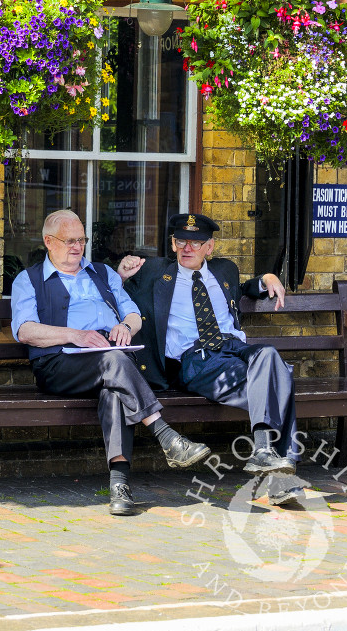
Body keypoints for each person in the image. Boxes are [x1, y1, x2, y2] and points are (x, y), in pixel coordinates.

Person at [11, 209, 211, 517]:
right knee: (114, 362)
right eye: (70, 241)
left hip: (111, 363)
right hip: (59, 364)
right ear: (49, 242)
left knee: (114, 389)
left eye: (82, 240)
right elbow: (25, 330)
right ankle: (164, 434)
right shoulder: (29, 280)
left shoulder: (103, 273)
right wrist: (75, 335)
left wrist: (126, 328)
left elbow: (132, 313)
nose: (77, 247)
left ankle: (120, 487)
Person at [119, 213, 302, 507]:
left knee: (268, 355)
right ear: (173, 243)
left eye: (196, 242)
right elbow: (113, 290)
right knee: (280, 378)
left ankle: (265, 453)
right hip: (197, 359)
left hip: (234, 348)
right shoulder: (155, 272)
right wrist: (122, 271)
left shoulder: (224, 269)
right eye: (181, 241)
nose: (187, 248)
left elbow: (244, 289)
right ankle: (278, 474)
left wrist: (267, 277)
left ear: (210, 247)